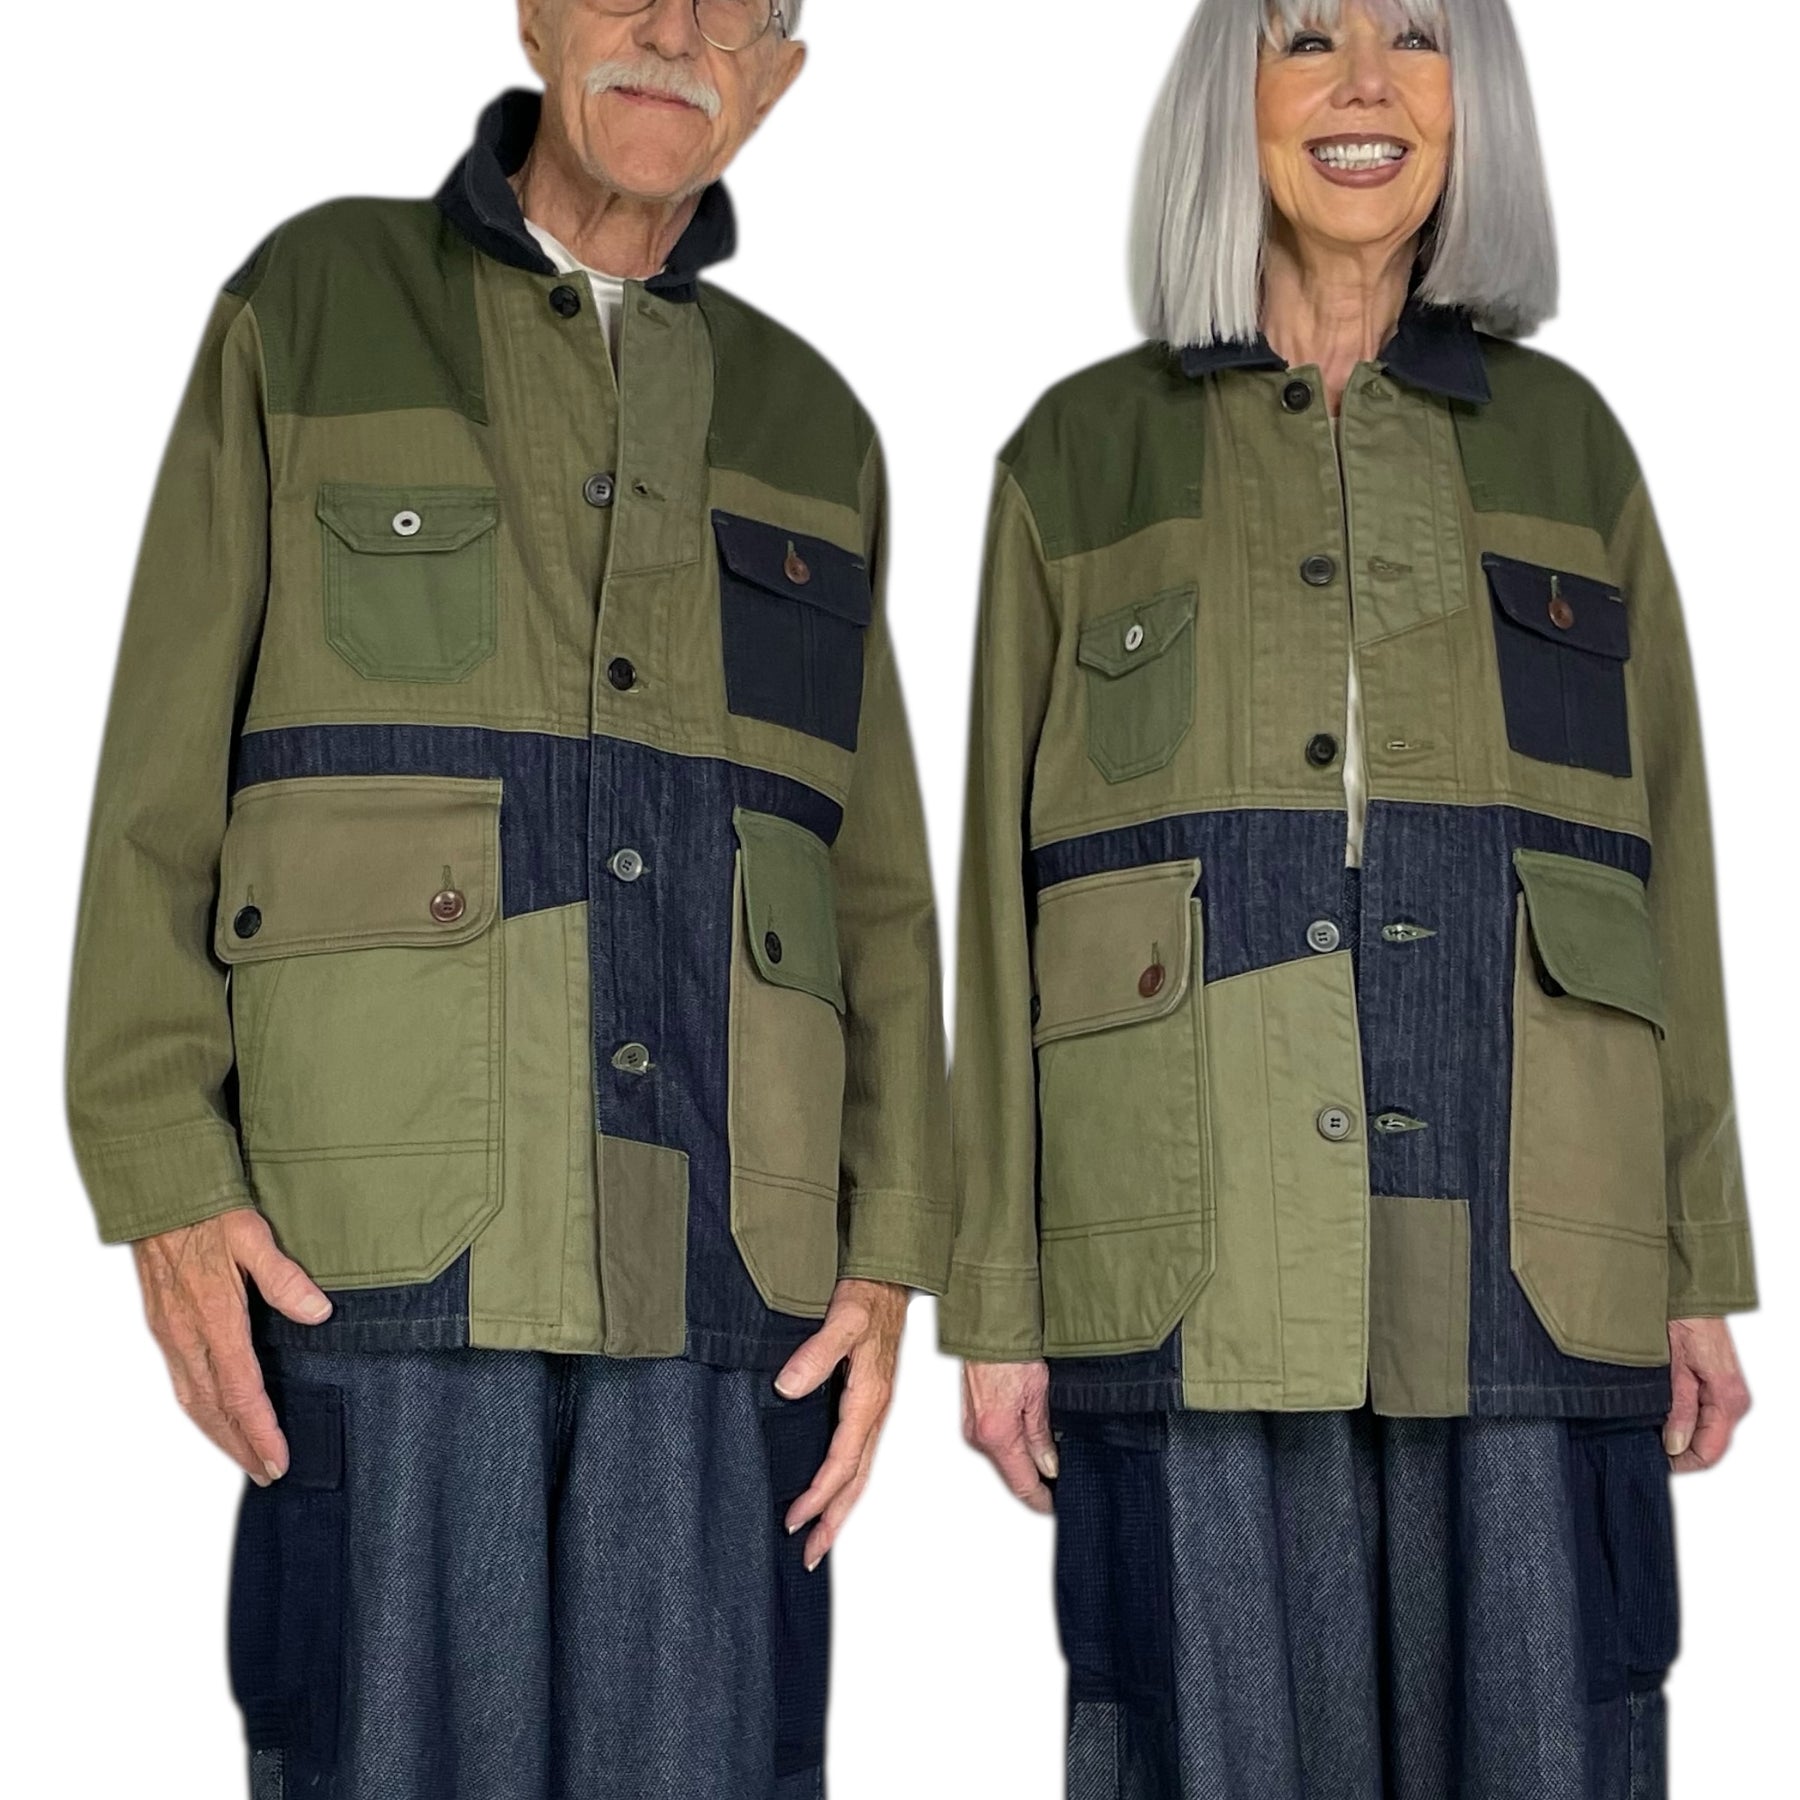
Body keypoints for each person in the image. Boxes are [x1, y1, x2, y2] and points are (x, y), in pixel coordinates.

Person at [64, 4, 952, 1795]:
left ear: (780, 73)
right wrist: (162, 1174)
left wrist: (894, 1244)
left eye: (736, 6)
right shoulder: (313, 309)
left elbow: (875, 892)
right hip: (378, 1257)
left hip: (728, 1286)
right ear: (539, 11)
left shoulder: (814, 427)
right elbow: (158, 790)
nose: (675, 31)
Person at [943, 2, 1755, 1794]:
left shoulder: (1570, 452)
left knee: (1549, 1743)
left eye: (1418, 36)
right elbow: (999, 913)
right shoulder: (1080, 458)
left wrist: (1693, 1261)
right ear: (1231, 100)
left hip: (1537, 1250)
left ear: (1476, 103)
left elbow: (1666, 870)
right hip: (1191, 1250)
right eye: (1308, 34)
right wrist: (995, 1298)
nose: (1367, 83)